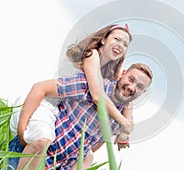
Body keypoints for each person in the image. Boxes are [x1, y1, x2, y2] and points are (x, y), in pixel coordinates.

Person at [16, 24, 135, 168]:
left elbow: (128, 100)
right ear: (103, 39)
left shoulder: (108, 72)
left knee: (87, 157)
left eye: (125, 44)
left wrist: (125, 130)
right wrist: (22, 129)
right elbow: (97, 96)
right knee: (42, 139)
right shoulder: (92, 54)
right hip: (46, 103)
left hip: (63, 111)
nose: (120, 45)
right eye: (116, 39)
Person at [9, 63, 153, 169]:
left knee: (88, 157)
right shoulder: (92, 86)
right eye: (131, 79)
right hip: (28, 155)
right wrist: (22, 129)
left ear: (143, 92)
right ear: (123, 73)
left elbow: (100, 141)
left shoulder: (123, 120)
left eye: (140, 87)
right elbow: (41, 88)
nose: (132, 87)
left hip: (57, 166)